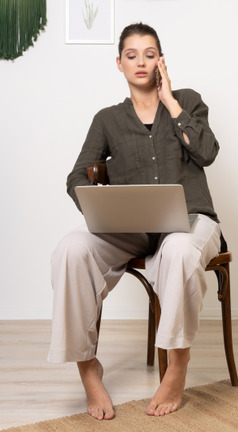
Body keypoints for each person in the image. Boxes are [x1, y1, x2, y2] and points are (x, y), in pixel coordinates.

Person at [48, 22, 222, 420]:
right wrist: (98, 207)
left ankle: (176, 367)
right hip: (131, 229)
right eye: (132, 55)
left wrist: (170, 102)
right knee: (71, 249)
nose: (140, 62)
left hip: (190, 221)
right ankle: (88, 369)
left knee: (178, 250)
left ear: (161, 60)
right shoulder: (107, 120)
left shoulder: (189, 102)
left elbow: (208, 152)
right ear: (119, 64)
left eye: (149, 54)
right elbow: (76, 177)